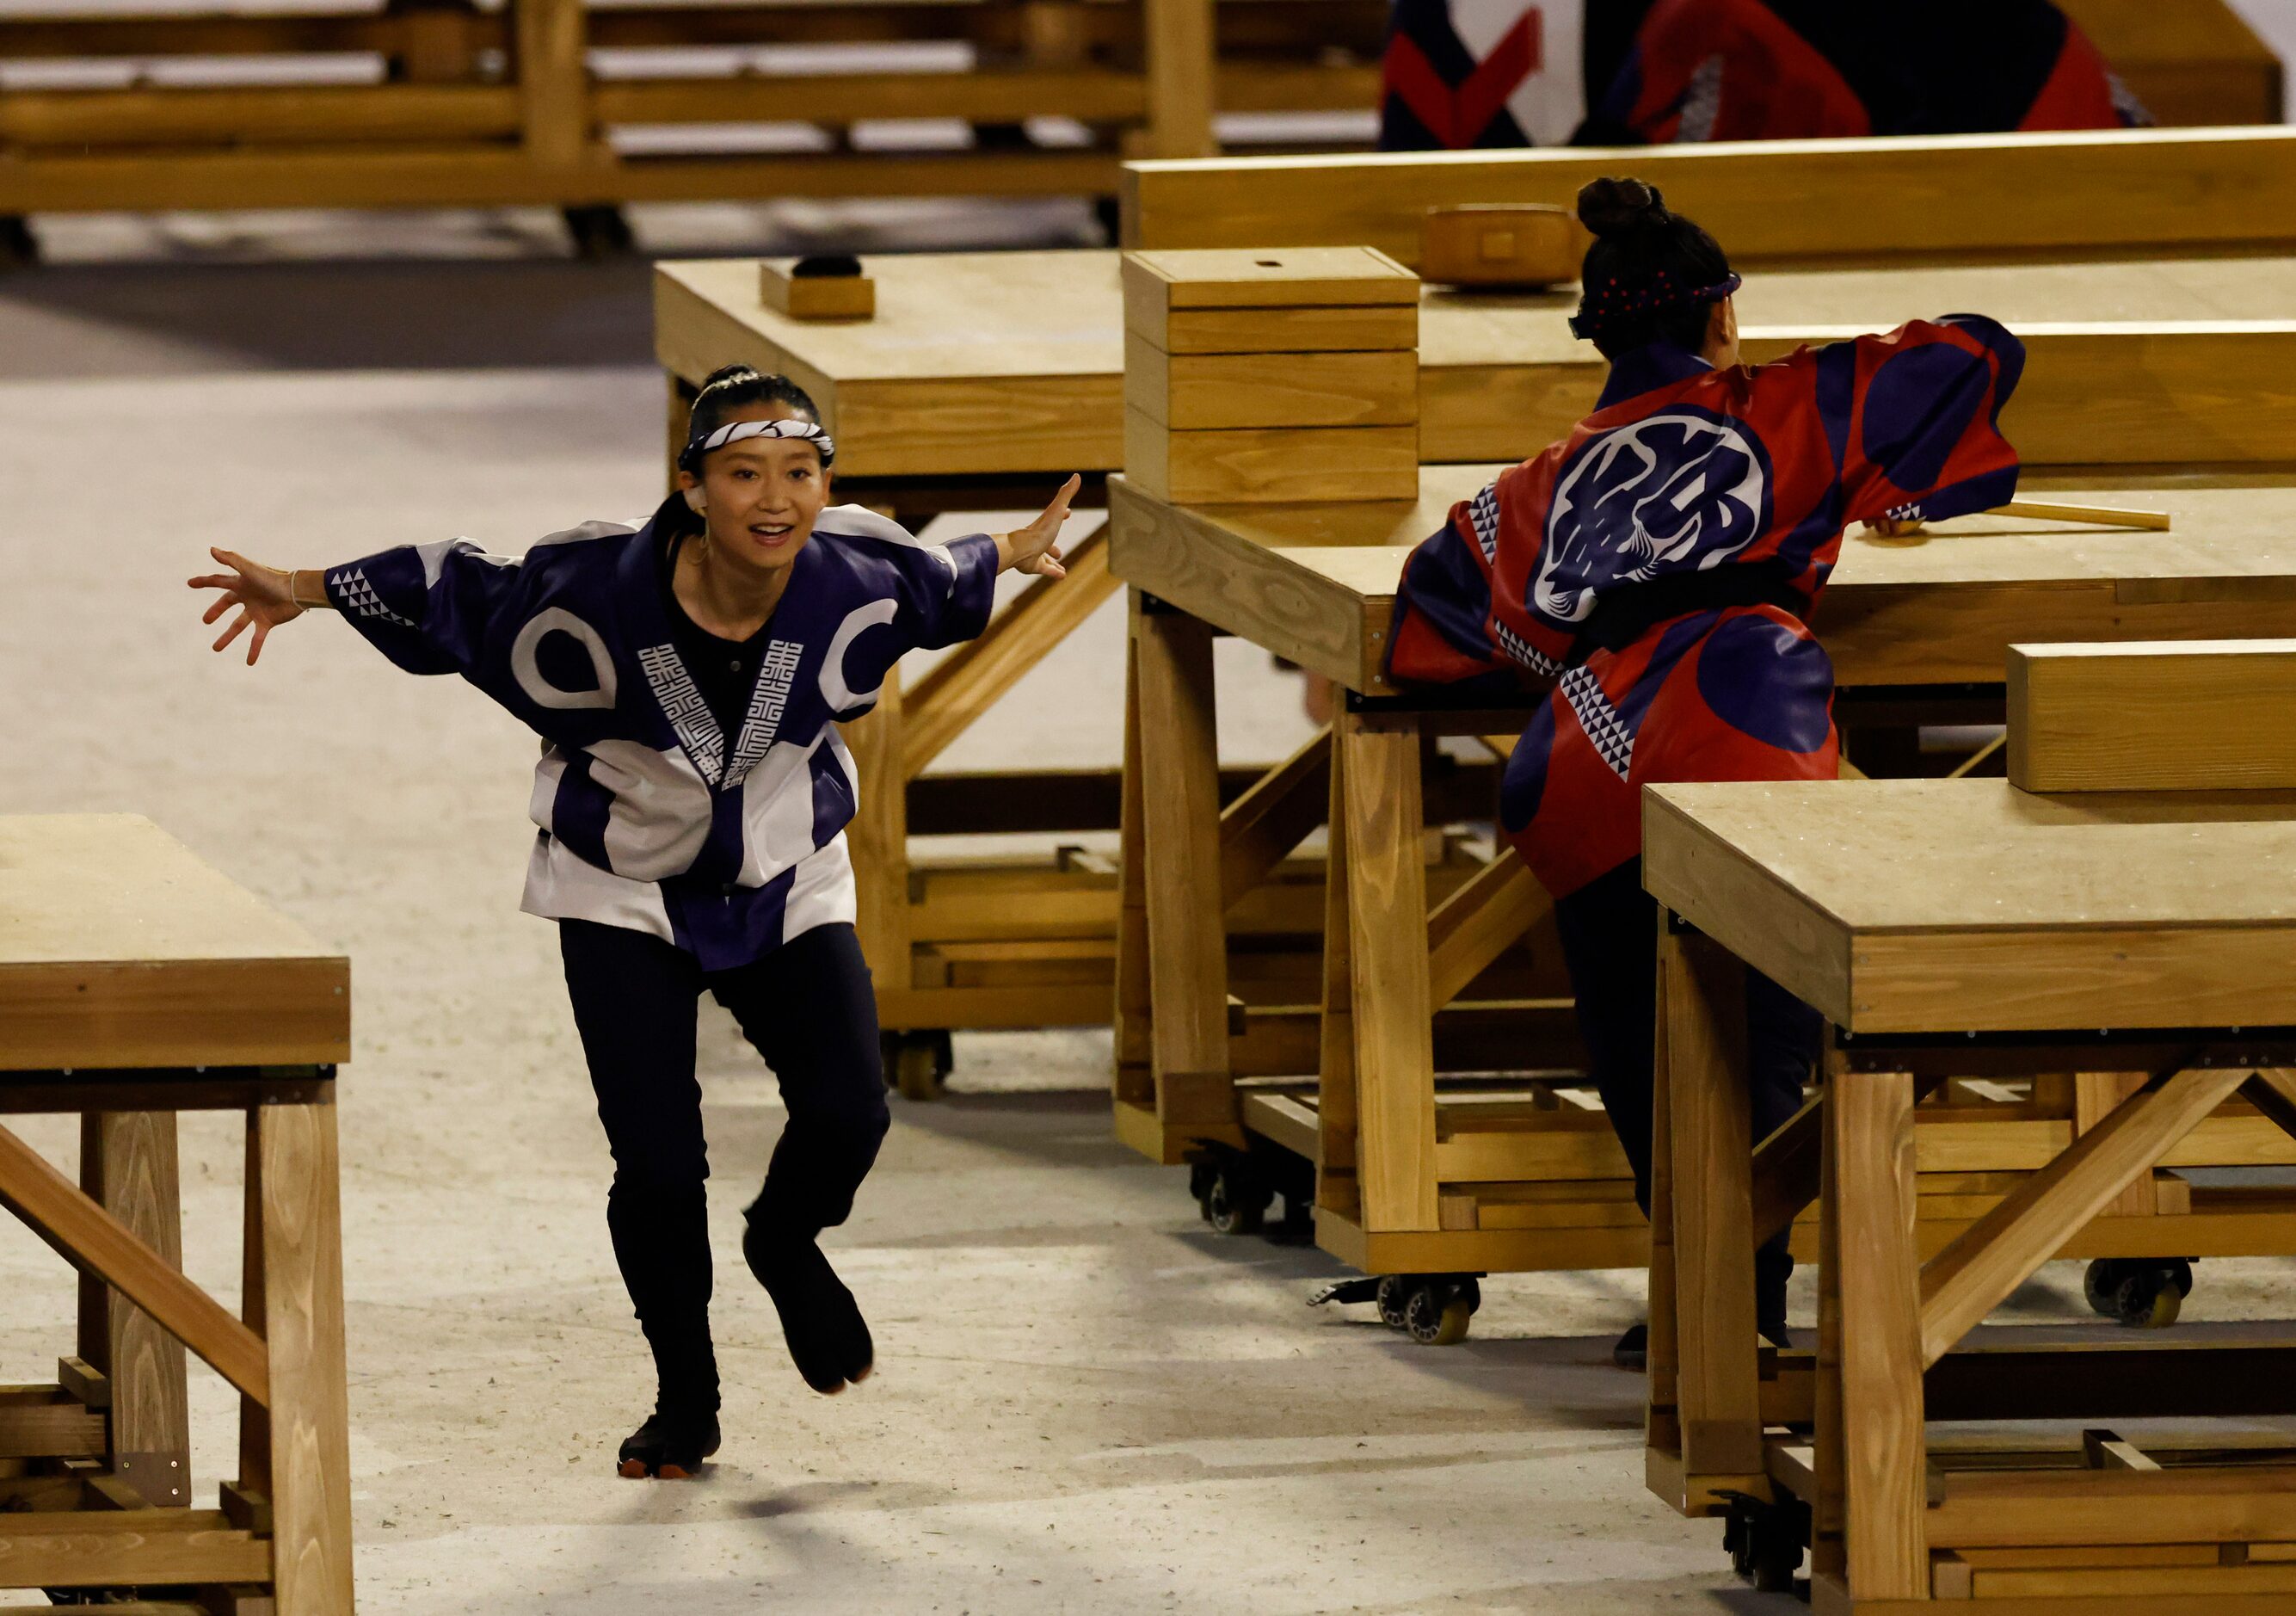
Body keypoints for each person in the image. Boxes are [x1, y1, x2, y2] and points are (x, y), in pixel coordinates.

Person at [189, 364, 1080, 1476]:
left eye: (800, 473)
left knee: (851, 1112)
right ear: (691, 486)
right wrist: (305, 587)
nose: (775, 498)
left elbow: (949, 571)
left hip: (785, 872)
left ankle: (784, 1237)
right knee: (658, 1169)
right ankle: (686, 1397)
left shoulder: (859, 572)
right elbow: (448, 588)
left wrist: (1011, 548)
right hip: (620, 890)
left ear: (825, 484)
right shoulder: (588, 590)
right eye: (743, 473)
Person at [1385, 178, 2024, 1366]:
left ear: (1598, 336)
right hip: (1741, 715)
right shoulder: (1796, 406)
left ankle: (1692, 1283)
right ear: (1722, 316)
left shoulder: (1528, 490)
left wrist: (1572, 608)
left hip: (1584, 747)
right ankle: (1749, 1292)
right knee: (1765, 1020)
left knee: (1634, 1025)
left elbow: (1426, 614)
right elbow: (1977, 354)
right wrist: (1866, 483)